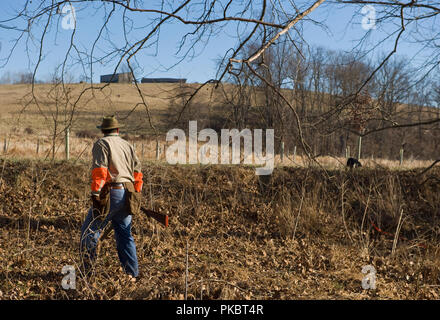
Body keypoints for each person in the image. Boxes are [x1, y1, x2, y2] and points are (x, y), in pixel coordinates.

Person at [80, 115, 143, 279]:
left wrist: (95, 194)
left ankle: (88, 274)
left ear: (103, 130)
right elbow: (137, 173)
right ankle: (132, 274)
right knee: (125, 235)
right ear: (117, 129)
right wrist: (135, 193)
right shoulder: (128, 145)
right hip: (128, 192)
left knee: (89, 232)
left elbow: (100, 171)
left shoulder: (102, 143)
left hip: (111, 192)